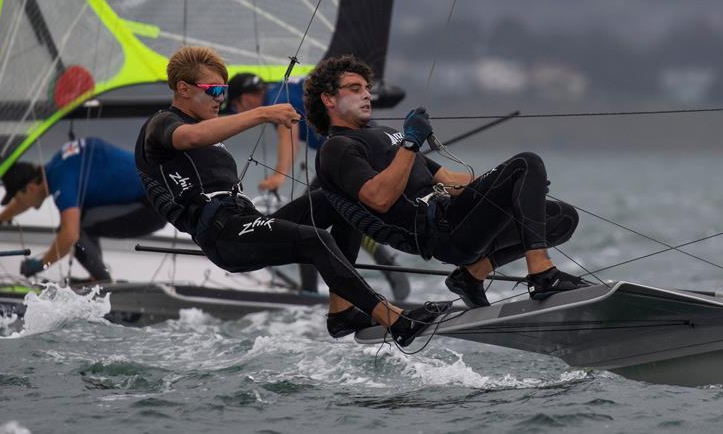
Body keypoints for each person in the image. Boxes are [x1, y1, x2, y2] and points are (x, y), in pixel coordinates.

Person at [134, 45, 448, 343]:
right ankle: (394, 319)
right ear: (183, 88)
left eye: (224, 91)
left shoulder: (206, 127)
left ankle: (342, 312)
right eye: (214, 90)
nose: (220, 98)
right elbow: (190, 138)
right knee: (316, 239)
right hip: (223, 237)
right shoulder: (161, 126)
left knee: (339, 197)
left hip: (246, 222)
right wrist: (262, 114)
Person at [304, 55, 591, 308]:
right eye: (355, 89)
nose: (367, 95)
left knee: (561, 217)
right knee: (526, 161)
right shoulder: (337, 148)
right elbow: (379, 198)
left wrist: (514, 186)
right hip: (438, 232)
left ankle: (470, 277)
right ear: (328, 99)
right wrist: (411, 143)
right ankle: (542, 275)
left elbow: (450, 180)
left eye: (367, 88)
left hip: (455, 215)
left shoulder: (384, 134)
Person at [222, 72, 410, 300]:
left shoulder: (274, 99)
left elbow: (288, 134)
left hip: (350, 153)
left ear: (246, 99)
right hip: (367, 146)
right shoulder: (283, 89)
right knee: (342, 214)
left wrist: (278, 177)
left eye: (235, 106)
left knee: (308, 220)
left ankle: (310, 295)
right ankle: (382, 265)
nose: (239, 113)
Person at [0, 138, 167, 281]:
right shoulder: (57, 164)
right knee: (81, 219)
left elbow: (70, 235)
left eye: (16, 197)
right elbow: (25, 201)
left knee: (74, 228)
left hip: (151, 209)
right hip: (155, 195)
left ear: (30, 188)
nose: (19, 203)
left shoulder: (62, 180)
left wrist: (42, 264)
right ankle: (97, 278)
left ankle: (102, 283)